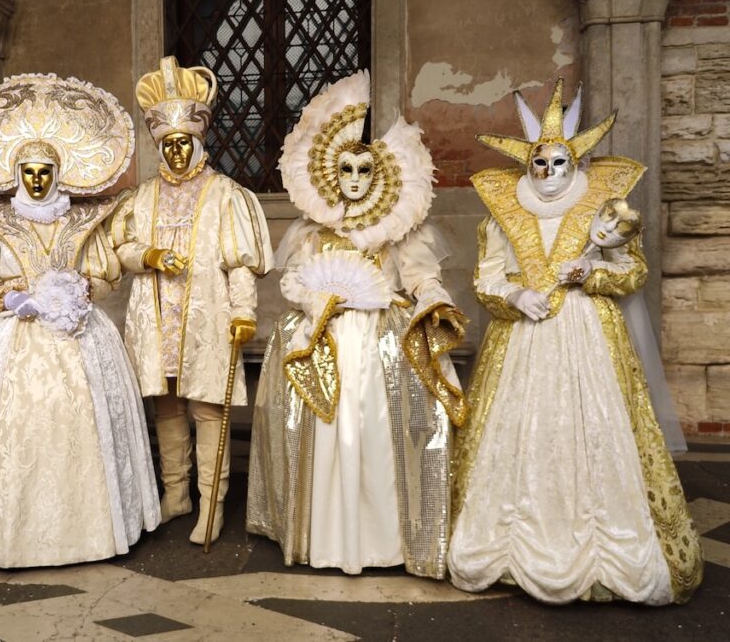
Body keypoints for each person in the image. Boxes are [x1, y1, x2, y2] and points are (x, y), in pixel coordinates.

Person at [448, 79, 703, 604]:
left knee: (593, 433)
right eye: (538, 164)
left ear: (575, 164)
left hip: (589, 338)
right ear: (525, 167)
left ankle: (603, 548)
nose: (547, 173)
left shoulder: (603, 210)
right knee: (519, 436)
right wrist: (515, 298)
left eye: (558, 163)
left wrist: (592, 272)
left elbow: (632, 271)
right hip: (521, 342)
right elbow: (486, 278)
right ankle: (510, 548)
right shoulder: (503, 215)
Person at [246, 71, 468, 577]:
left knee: (377, 433)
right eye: (345, 169)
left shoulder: (400, 233)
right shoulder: (310, 233)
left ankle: (383, 538)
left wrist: (434, 303)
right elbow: (294, 284)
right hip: (323, 335)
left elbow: (421, 277)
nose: (354, 179)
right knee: (326, 433)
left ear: (380, 176)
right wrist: (318, 301)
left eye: (364, 170)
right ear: (330, 173)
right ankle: (323, 535)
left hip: (381, 342)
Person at [0, 73, 160, 567]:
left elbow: (107, 275)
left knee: (83, 428)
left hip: (80, 334)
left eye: (45, 172)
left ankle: (91, 530)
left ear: (59, 174)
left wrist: (80, 292)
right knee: (13, 433)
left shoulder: (84, 221)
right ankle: (5, 536)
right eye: (28, 172)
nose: (37, 181)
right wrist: (10, 299)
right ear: (16, 175)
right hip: (13, 341)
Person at [111, 57, 273, 544]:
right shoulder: (140, 197)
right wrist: (151, 254)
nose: (177, 152)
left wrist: (245, 313)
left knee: (208, 407)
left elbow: (240, 261)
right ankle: (176, 494)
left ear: (199, 141)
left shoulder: (225, 194)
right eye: (168, 144)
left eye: (185, 142)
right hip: (156, 315)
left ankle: (212, 504)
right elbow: (119, 248)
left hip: (208, 315)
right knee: (166, 404)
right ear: (159, 146)